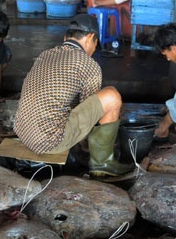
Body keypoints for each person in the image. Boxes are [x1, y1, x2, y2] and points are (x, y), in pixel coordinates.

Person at [13, 14, 134, 177]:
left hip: (24, 134)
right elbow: (92, 116)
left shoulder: (45, 54)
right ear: (91, 37)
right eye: (95, 43)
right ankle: (102, 164)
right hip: (48, 143)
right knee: (111, 96)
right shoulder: (88, 64)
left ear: (66, 37)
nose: (94, 49)